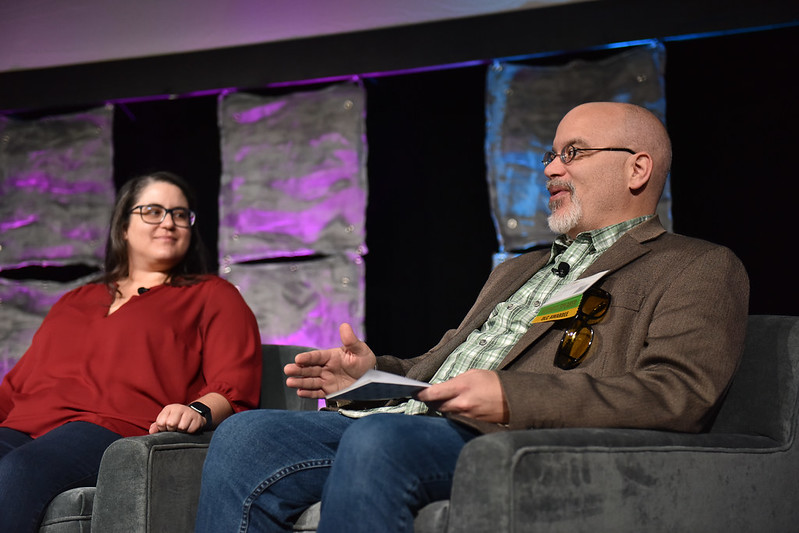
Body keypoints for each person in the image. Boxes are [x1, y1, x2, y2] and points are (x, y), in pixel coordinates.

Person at [194, 102, 749, 533]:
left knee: (379, 442)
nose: (552, 169)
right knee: (247, 433)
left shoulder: (694, 265)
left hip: (510, 436)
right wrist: (371, 374)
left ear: (638, 168)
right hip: (410, 419)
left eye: (572, 153)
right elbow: (447, 363)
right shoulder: (521, 266)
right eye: (549, 156)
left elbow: (678, 393)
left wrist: (514, 398)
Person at [0, 171, 262, 532]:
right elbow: (17, 386)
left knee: (18, 471)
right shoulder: (77, 299)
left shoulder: (211, 294)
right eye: (153, 211)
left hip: (109, 426)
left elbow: (235, 383)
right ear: (123, 226)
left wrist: (197, 411)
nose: (169, 222)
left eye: (180, 215)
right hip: (28, 423)